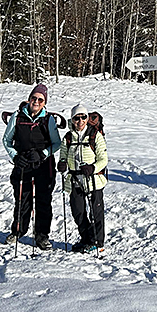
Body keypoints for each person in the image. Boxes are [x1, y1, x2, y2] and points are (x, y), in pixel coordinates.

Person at [2, 84, 61, 250]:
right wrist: (15, 156)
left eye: (40, 100)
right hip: (23, 163)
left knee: (43, 201)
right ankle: (18, 231)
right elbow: (7, 140)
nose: (36, 101)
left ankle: (42, 236)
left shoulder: (48, 119)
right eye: (34, 98)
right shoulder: (17, 116)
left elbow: (57, 143)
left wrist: (43, 154)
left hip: (44, 165)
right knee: (22, 198)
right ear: (29, 99)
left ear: (44, 103)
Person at [58, 104, 108, 253]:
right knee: (78, 212)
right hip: (75, 179)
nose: (80, 121)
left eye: (83, 117)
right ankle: (86, 239)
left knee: (96, 212)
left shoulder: (95, 135)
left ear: (87, 118)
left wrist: (93, 168)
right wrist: (62, 163)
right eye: (76, 118)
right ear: (72, 120)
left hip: (93, 179)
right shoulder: (68, 137)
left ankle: (97, 242)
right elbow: (63, 155)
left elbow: (103, 159)